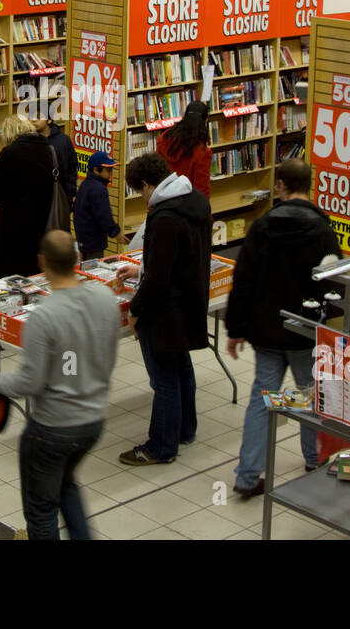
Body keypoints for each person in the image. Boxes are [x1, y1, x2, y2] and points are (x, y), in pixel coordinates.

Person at [0, 231, 121, 540]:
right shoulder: (104, 298)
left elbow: (31, 381)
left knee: (41, 508)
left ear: (41, 263)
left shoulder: (44, 317)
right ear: (77, 260)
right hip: (93, 420)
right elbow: (107, 355)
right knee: (65, 484)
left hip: (52, 429)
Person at [226, 158, 342, 497]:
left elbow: (243, 279)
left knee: (263, 400)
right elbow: (331, 279)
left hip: (266, 328)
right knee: (310, 395)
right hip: (305, 330)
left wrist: (235, 328)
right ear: (310, 185)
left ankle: (248, 476)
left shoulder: (262, 226)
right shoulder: (322, 228)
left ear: (280, 185)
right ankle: (313, 459)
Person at [116, 151, 211, 467]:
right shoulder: (194, 200)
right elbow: (176, 258)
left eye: (140, 191)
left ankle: (160, 446)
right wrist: (139, 270)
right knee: (182, 366)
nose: (142, 198)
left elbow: (159, 278)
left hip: (165, 311)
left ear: (146, 184)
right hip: (190, 301)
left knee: (163, 378)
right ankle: (185, 430)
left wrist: (136, 309)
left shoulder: (164, 215)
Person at [0, 114, 57, 281]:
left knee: (12, 279)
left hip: (15, 227)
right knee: (37, 277)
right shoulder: (51, 150)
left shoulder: (10, 153)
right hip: (45, 223)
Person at [73, 150, 128, 260]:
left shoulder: (85, 185)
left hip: (83, 240)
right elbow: (104, 215)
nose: (111, 174)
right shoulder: (99, 189)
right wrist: (116, 233)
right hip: (94, 243)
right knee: (94, 272)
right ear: (96, 170)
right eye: (108, 170)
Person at [156, 100, 212, 198]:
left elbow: (155, 174)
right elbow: (201, 190)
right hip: (186, 206)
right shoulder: (202, 153)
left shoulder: (163, 139)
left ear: (184, 116)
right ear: (205, 121)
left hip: (162, 201)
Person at [35, 118, 77, 205]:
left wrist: (69, 192)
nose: (33, 119)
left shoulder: (64, 140)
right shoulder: (30, 141)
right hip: (36, 200)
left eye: (38, 116)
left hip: (60, 198)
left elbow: (72, 167)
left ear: (49, 120)